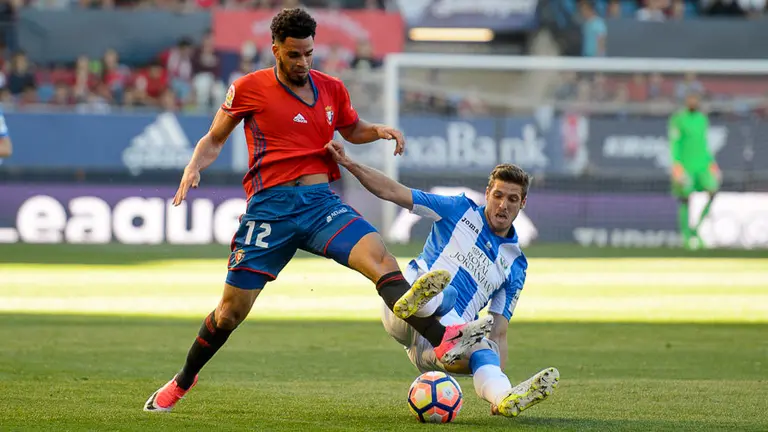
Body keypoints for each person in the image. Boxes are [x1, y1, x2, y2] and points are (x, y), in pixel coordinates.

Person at [144, 8, 491, 412]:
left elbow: (352, 129)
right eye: (294, 55)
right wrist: (193, 165)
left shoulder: (331, 88)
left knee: (379, 257)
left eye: (309, 53)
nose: (304, 62)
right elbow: (214, 139)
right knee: (229, 313)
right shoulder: (248, 88)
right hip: (269, 210)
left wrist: (377, 131)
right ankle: (184, 380)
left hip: (321, 204)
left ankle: (442, 336)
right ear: (275, 49)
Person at [325, 141, 559, 418]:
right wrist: (350, 163)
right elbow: (393, 191)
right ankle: (422, 299)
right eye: (498, 195)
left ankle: (503, 396)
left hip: (438, 345)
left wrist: (497, 369)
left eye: (512, 199)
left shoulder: (515, 264)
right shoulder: (458, 209)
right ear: (487, 194)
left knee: (485, 349)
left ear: (522, 203)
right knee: (444, 290)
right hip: (400, 308)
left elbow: (499, 332)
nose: (503, 205)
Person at [668, 91, 721, 250]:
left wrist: (712, 163)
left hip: (703, 165)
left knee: (712, 192)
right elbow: (674, 143)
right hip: (685, 166)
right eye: (690, 98)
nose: (693, 101)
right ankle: (686, 237)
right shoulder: (678, 119)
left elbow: (704, 143)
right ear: (685, 101)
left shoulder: (702, 119)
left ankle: (695, 230)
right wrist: (676, 165)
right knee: (685, 199)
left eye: (695, 99)